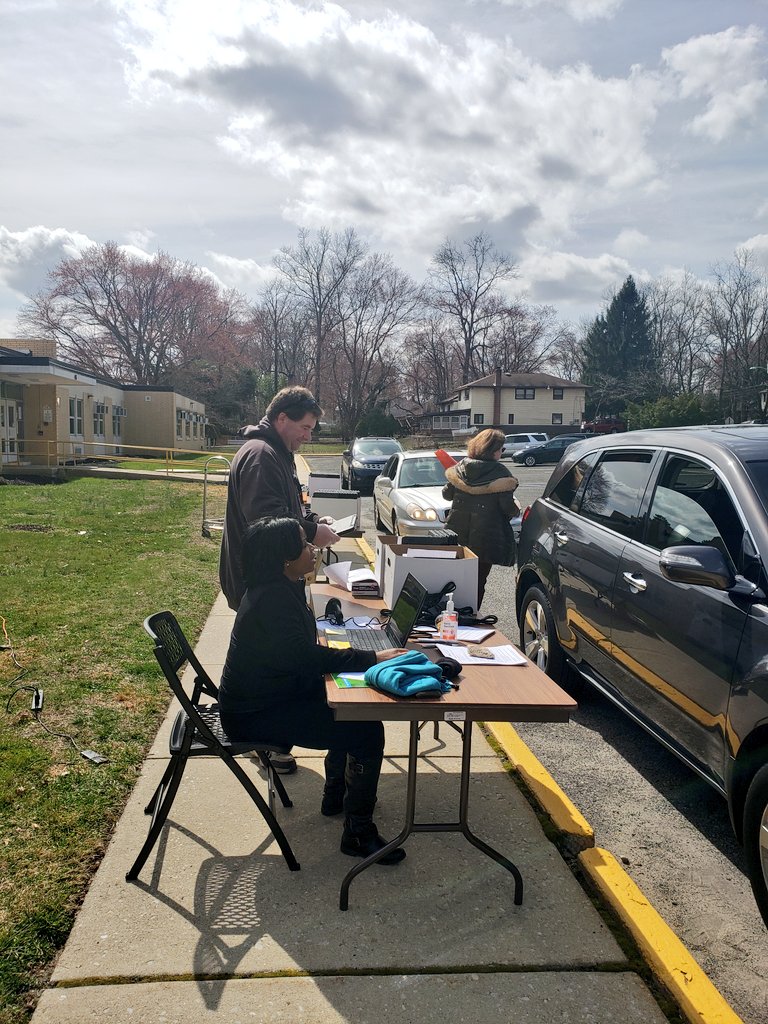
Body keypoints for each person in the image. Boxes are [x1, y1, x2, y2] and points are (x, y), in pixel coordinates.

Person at [219, 517, 407, 865]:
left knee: (355, 711)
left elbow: (300, 655)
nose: (312, 548)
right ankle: (357, 833)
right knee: (366, 731)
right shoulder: (271, 601)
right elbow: (306, 658)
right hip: (256, 715)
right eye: (305, 543)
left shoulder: (278, 586)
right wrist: (373, 656)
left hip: (272, 696)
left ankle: (336, 797)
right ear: (284, 559)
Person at [219, 386, 339, 774]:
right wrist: (310, 531)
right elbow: (266, 522)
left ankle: (271, 734)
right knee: (272, 658)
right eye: (304, 427)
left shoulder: (274, 452)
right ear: (281, 418)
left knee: (274, 656)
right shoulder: (260, 456)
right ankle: (266, 740)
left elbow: (281, 510)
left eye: (312, 429)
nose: (308, 435)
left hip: (270, 576)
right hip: (260, 579)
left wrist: (309, 522)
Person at [442, 428, 519, 609]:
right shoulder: (500, 472)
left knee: (455, 577)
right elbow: (508, 508)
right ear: (492, 450)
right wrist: (516, 508)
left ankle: (448, 612)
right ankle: (470, 615)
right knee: (478, 581)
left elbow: (447, 494)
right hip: (486, 537)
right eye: (501, 449)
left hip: (457, 534)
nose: (502, 452)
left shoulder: (461, 467)